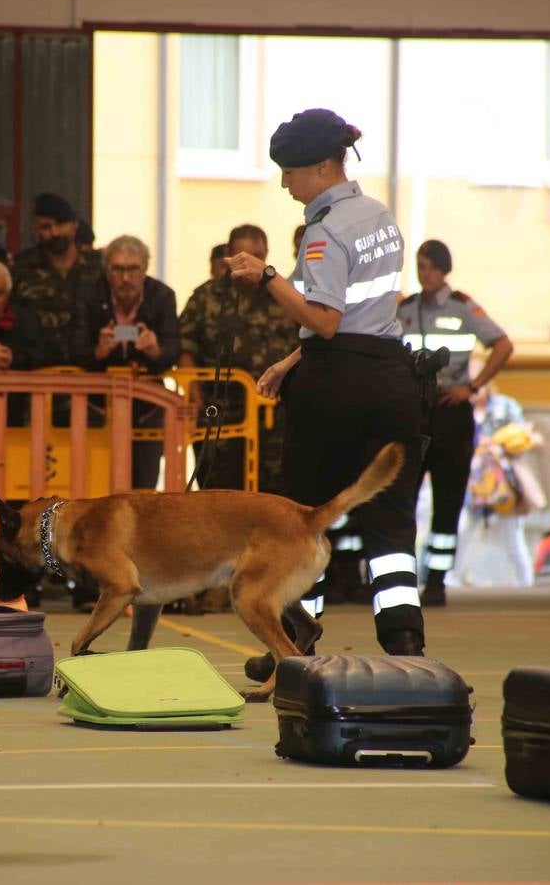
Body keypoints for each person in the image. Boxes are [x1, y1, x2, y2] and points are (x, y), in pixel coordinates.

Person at [225, 107, 427, 674]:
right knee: (389, 516)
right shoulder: (380, 215)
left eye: (289, 172)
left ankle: (294, 644)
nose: (285, 183)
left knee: (300, 517)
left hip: (337, 389)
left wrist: (267, 277)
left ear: (319, 168)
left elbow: (327, 320)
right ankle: (405, 641)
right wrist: (293, 359)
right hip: (390, 378)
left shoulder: (325, 229)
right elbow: (365, 316)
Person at [398, 239, 514, 607]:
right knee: (402, 498)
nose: (424, 273)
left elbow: (503, 345)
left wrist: (474, 387)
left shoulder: (463, 307)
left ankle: (436, 581)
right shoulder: (406, 308)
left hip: (451, 410)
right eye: (420, 266)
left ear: (444, 269)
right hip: (414, 411)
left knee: (448, 501)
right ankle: (400, 579)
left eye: (430, 266)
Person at [179, 224, 298, 493]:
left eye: (256, 256)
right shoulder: (206, 297)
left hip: (273, 416)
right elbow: (185, 346)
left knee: (272, 501)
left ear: (265, 255)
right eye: (242, 256)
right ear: (229, 256)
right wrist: (194, 396)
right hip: (220, 415)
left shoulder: (283, 295)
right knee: (219, 501)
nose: (249, 264)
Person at [70, 234, 180, 489]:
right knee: (94, 484)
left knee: (143, 488)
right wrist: (97, 351)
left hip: (149, 405)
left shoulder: (162, 296)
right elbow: (74, 350)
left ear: (144, 270)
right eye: (118, 269)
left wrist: (156, 351)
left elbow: (174, 349)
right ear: (107, 271)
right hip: (97, 405)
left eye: (133, 269)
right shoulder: (88, 295)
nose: (126, 278)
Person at [451, 380, 536, 588]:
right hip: (474, 482)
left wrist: (497, 446)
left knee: (512, 538)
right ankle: (450, 578)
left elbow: (525, 437)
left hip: (502, 481)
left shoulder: (505, 407)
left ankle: (525, 583)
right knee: (462, 531)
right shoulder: (462, 409)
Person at [11, 193, 103, 366]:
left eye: (60, 224)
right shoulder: (20, 268)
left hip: (91, 371)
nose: (54, 232)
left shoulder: (99, 266)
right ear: (36, 230)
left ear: (75, 225)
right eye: (46, 227)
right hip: (36, 370)